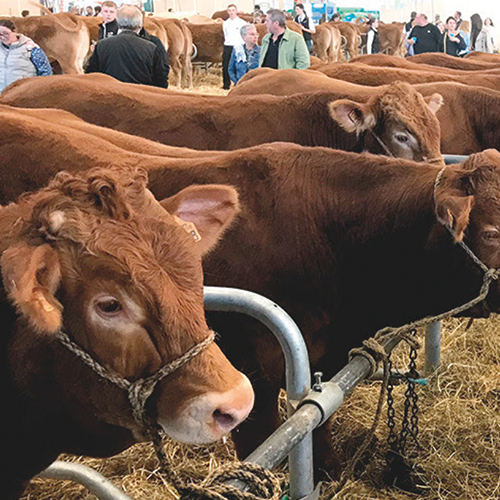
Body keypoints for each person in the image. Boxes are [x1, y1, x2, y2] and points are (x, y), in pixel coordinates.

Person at [85, 5, 169, 88]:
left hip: (111, 96)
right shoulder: (153, 47)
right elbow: (162, 79)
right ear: (140, 24)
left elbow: (91, 76)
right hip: (142, 97)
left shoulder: (101, 46)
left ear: (118, 23)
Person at [0, 19, 52, 93]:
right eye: (0, 34)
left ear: (14, 31)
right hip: (2, 95)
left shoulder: (31, 48)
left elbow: (46, 71)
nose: (2, 37)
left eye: (6, 33)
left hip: (24, 94)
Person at [222, 4, 246, 90]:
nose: (231, 12)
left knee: (239, 65)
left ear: (236, 11)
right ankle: (226, 85)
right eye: (229, 10)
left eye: (233, 10)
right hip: (228, 45)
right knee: (226, 66)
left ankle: (239, 84)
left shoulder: (242, 23)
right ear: (227, 12)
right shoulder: (225, 23)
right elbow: (226, 35)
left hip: (239, 45)